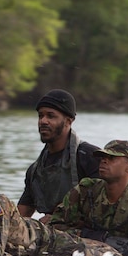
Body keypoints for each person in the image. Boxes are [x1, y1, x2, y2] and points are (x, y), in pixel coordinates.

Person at [47, 140, 128, 256]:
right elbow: (55, 227)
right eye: (103, 157)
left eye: (112, 158)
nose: (104, 161)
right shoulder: (85, 190)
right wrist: (90, 236)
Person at [18, 89, 101, 219]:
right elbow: (22, 214)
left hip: (84, 233)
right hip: (50, 233)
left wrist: (59, 219)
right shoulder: (35, 171)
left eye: (51, 116)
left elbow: (108, 206)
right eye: (41, 116)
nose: (43, 121)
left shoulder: (90, 157)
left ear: (69, 121)